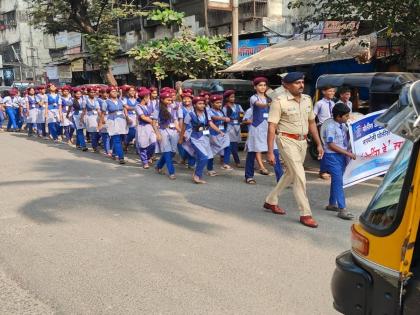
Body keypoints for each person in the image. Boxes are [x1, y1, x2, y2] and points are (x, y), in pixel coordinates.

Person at [264, 72, 324, 228]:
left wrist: (318, 143)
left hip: (303, 142)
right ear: (286, 85)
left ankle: (271, 200)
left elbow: (311, 123)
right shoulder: (279, 102)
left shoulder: (307, 100)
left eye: (302, 82)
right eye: (297, 82)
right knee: (299, 176)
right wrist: (270, 151)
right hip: (286, 140)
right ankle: (306, 214)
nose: (301, 85)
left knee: (290, 173)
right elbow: (271, 127)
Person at [321, 103, 355, 220]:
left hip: (341, 156)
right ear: (338, 117)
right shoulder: (330, 127)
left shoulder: (343, 125)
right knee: (339, 181)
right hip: (333, 156)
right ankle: (342, 208)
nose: (348, 118)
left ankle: (331, 204)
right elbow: (330, 145)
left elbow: (348, 136)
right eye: (346, 116)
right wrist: (348, 153)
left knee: (336, 181)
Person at [180, 96, 222, 184]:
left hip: (205, 137)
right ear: (194, 105)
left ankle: (197, 174)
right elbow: (184, 127)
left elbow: (210, 123)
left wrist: (219, 131)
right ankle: (196, 176)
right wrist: (181, 138)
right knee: (204, 157)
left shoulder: (207, 112)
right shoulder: (190, 114)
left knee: (202, 157)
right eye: (199, 103)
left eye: (203, 103)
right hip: (195, 138)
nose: (202, 105)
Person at [244, 77, 272, 184]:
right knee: (252, 151)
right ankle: (249, 176)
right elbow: (259, 105)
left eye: (264, 85)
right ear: (255, 87)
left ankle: (281, 178)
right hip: (257, 127)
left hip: (268, 127)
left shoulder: (269, 98)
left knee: (275, 151)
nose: (263, 87)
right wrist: (269, 104)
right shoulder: (253, 98)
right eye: (260, 85)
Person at [152, 91, 180, 180]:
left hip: (173, 131)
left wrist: (180, 131)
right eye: (168, 100)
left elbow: (175, 120)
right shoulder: (158, 108)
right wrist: (157, 134)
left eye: (171, 100)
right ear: (162, 100)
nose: (170, 101)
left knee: (173, 151)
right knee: (167, 151)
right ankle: (171, 172)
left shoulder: (172, 107)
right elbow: (154, 122)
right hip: (163, 130)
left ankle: (158, 166)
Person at [314, 85, 336, 180]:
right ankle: (322, 171)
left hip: (332, 127)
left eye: (333, 91)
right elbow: (313, 116)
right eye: (330, 91)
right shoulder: (319, 103)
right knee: (324, 149)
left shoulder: (333, 103)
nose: (332, 93)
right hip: (322, 127)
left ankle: (329, 169)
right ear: (323, 92)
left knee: (332, 148)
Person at [207, 94, 232, 175]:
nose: (219, 104)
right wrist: (224, 118)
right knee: (211, 152)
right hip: (213, 134)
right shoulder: (209, 111)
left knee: (227, 145)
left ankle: (225, 163)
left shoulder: (221, 111)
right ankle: (209, 168)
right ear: (212, 103)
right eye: (217, 103)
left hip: (222, 132)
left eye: (220, 102)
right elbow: (214, 118)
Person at [105, 86, 129, 164]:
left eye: (116, 91)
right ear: (109, 93)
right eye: (113, 91)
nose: (115, 93)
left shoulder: (121, 101)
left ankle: (114, 153)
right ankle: (121, 157)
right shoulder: (106, 102)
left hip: (122, 121)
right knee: (116, 139)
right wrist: (101, 122)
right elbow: (102, 113)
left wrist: (136, 109)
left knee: (121, 138)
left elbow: (127, 108)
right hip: (112, 121)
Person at [135, 88, 156, 169]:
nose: (149, 99)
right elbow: (143, 117)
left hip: (150, 126)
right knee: (143, 145)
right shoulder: (138, 106)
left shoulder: (150, 105)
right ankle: (144, 161)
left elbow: (154, 114)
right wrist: (152, 122)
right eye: (148, 97)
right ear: (145, 97)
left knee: (153, 142)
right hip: (142, 127)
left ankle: (148, 157)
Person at [223, 90, 244, 168]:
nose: (233, 98)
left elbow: (242, 114)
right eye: (231, 97)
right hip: (229, 128)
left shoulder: (238, 106)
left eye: (234, 97)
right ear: (227, 98)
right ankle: (227, 162)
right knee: (229, 145)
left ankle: (234, 162)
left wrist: (241, 119)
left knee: (234, 146)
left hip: (237, 127)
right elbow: (224, 118)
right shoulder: (225, 108)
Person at [81, 87, 100, 152]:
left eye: (94, 92)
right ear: (88, 93)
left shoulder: (97, 99)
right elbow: (83, 110)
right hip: (90, 117)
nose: (93, 93)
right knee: (93, 133)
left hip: (97, 116)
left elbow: (98, 109)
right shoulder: (85, 100)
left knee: (99, 132)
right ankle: (95, 147)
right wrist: (82, 119)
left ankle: (96, 144)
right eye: (91, 92)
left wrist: (101, 117)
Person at [123, 86, 138, 151]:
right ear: (128, 92)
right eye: (130, 91)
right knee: (131, 133)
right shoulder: (125, 99)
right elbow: (126, 108)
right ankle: (126, 144)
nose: (132, 92)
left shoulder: (137, 100)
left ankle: (138, 148)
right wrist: (127, 118)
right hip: (129, 117)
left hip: (137, 117)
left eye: (133, 90)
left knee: (137, 132)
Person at [97, 88, 112, 157]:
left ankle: (109, 148)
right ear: (101, 94)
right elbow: (99, 111)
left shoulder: (110, 100)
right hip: (102, 118)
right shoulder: (98, 100)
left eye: (107, 93)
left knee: (110, 134)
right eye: (104, 93)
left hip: (110, 118)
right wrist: (102, 119)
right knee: (105, 135)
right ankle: (107, 150)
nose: (106, 95)